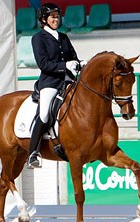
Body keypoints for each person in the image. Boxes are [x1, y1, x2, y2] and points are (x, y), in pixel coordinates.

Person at [27, 3, 87, 168]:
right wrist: (64, 66)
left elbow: (73, 56)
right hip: (50, 82)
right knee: (45, 113)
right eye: (52, 16)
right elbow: (43, 64)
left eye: (57, 16)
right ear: (44, 20)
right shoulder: (38, 38)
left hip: (67, 81)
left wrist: (79, 63)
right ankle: (33, 153)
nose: (56, 19)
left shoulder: (64, 37)